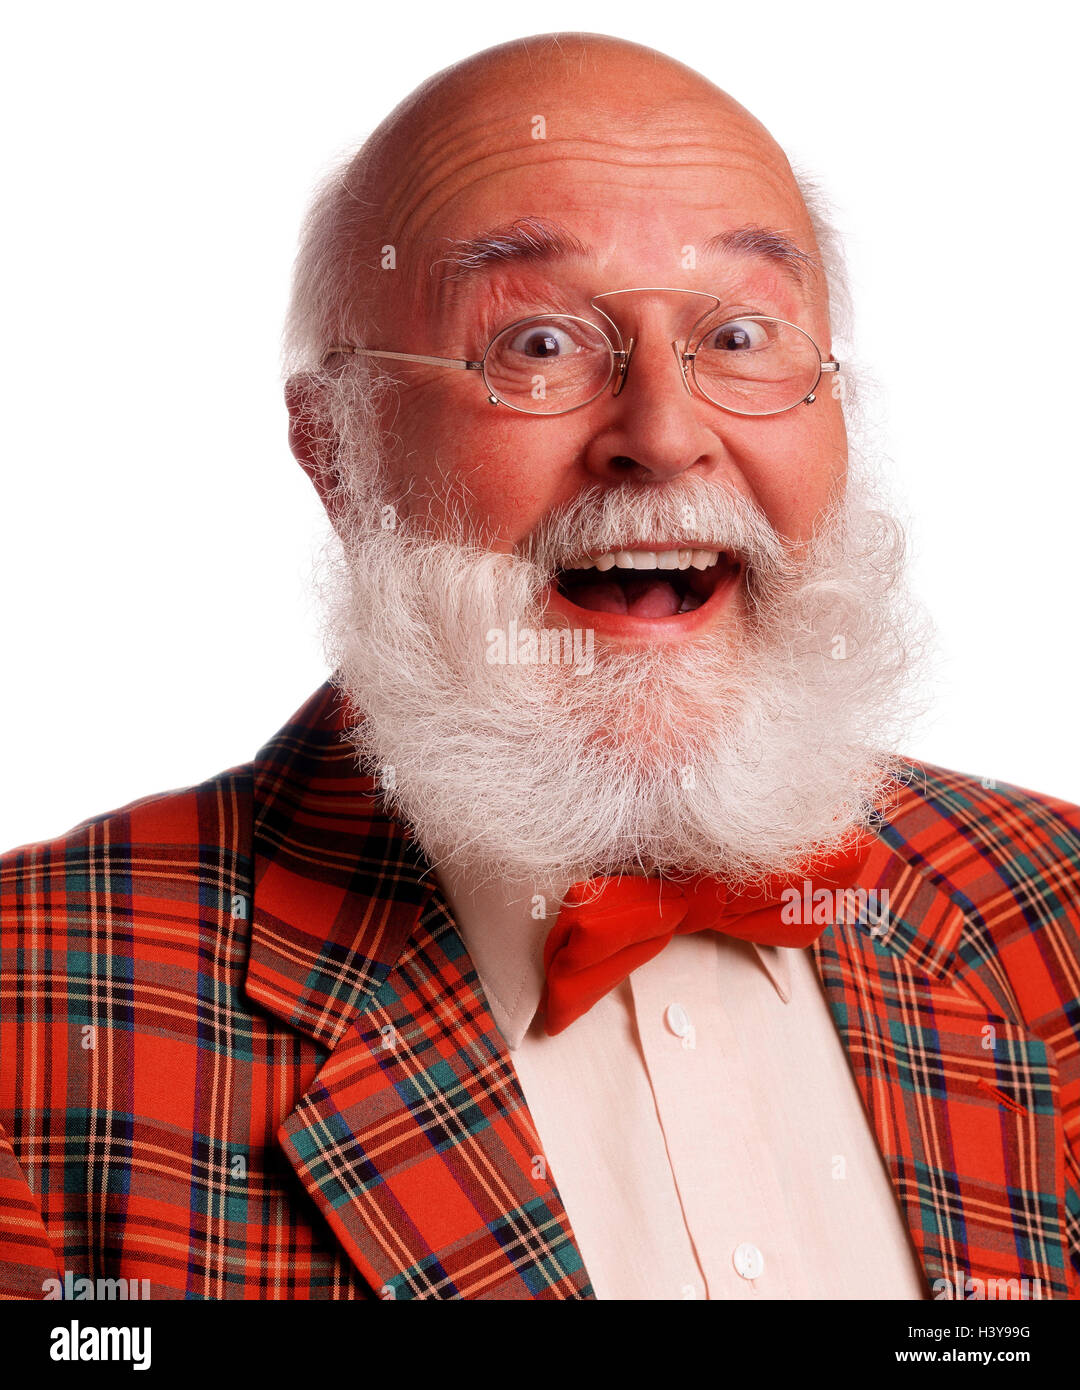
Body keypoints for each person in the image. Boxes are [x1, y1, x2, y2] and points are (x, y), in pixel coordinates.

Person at [1, 32, 1077, 1302]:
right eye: (541, 347)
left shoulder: (1050, 905)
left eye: (739, 333)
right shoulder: (34, 1023)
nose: (666, 437)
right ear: (338, 453)